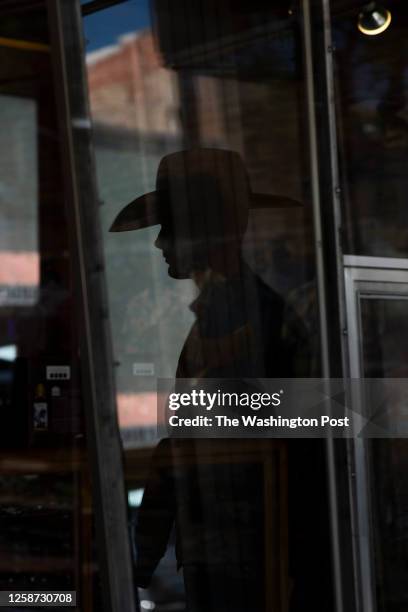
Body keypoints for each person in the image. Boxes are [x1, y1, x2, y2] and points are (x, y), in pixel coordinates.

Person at [110, 149, 324, 611]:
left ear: (205, 234)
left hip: (252, 556)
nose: (160, 245)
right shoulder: (219, 316)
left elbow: (295, 447)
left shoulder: (257, 320)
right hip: (230, 553)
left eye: (171, 229)